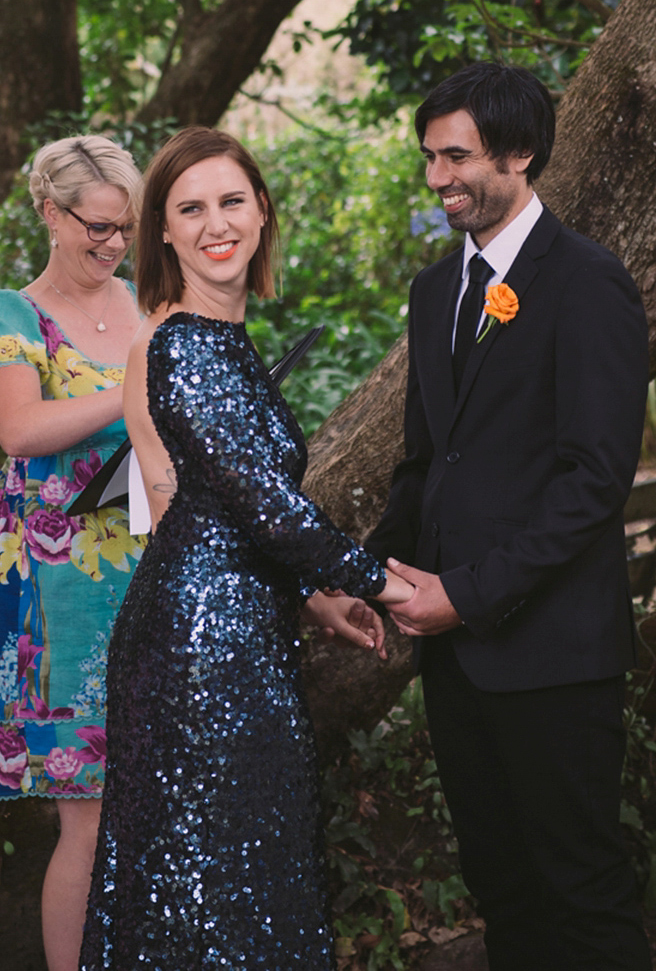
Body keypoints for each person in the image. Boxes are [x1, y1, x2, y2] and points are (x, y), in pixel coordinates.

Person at [79, 126, 413, 971]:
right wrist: (386, 584)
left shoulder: (221, 339)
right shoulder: (185, 343)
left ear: (262, 211)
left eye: (232, 201)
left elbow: (214, 507)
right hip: (201, 656)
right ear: (161, 229)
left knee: (239, 884)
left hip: (233, 637)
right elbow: (264, 504)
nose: (214, 222)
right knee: (214, 893)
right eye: (190, 208)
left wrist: (314, 594)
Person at [366, 63, 652, 970]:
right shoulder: (433, 291)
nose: (437, 177)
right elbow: (425, 465)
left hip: (554, 652)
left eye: (458, 156)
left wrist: (468, 595)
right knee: (502, 887)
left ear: (521, 153)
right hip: (457, 662)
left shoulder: (588, 282)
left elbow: (594, 480)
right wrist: (361, 577)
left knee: (582, 889)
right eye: (429, 157)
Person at [0, 135, 147, 971]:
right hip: (59, 588)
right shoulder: (14, 312)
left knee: (153, 794)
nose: (113, 244)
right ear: (50, 213)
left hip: (150, 566)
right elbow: (20, 428)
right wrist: (135, 389)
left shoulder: (150, 305)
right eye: (97, 226)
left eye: (126, 229)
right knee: (87, 809)